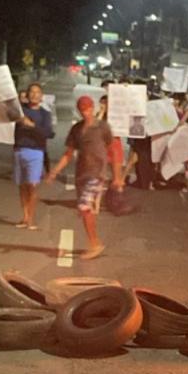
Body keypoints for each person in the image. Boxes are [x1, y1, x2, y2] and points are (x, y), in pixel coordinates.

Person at [47, 96, 122, 260]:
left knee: (84, 207)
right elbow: (68, 154)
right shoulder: (76, 129)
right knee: (85, 209)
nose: (85, 113)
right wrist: (55, 171)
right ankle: (94, 242)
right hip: (81, 173)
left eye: (87, 109)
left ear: (93, 108)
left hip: (97, 173)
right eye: (82, 110)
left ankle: (95, 244)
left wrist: (117, 176)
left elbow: (114, 150)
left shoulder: (102, 127)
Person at [13, 83, 54, 230]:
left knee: (32, 185)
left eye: (37, 92)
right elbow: (4, 108)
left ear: (42, 96)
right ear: (27, 94)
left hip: (36, 152)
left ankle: (31, 218)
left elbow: (49, 133)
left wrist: (32, 126)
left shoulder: (45, 114)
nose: (34, 95)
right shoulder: (20, 112)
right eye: (32, 92)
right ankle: (24, 217)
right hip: (19, 150)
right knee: (22, 186)